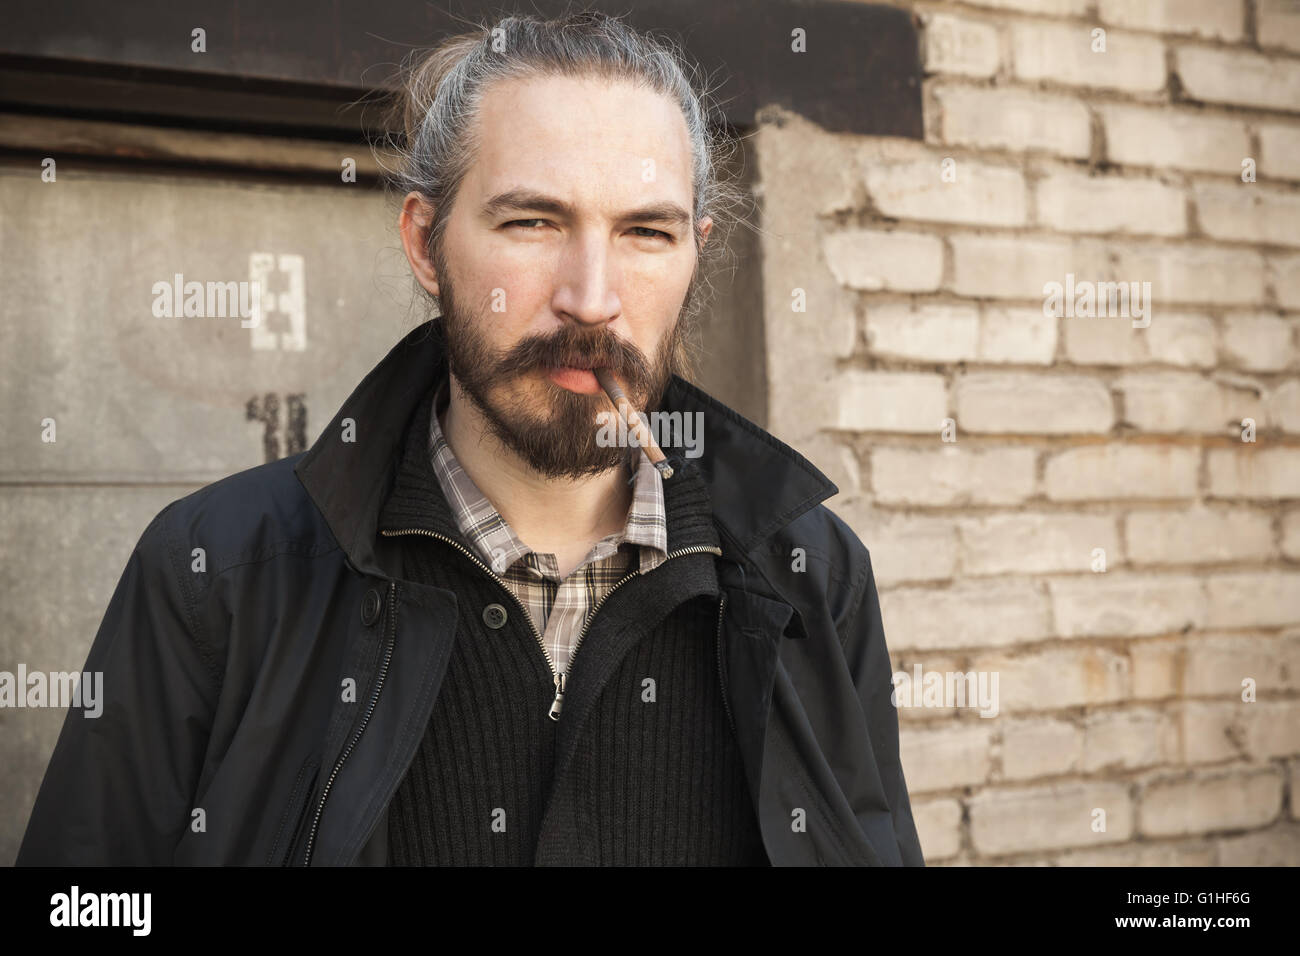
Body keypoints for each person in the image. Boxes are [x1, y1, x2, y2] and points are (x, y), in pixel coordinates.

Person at [17, 10, 923, 867]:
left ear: (696, 252)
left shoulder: (813, 576)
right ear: (426, 242)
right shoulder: (215, 572)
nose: (592, 297)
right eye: (533, 221)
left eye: (647, 231)